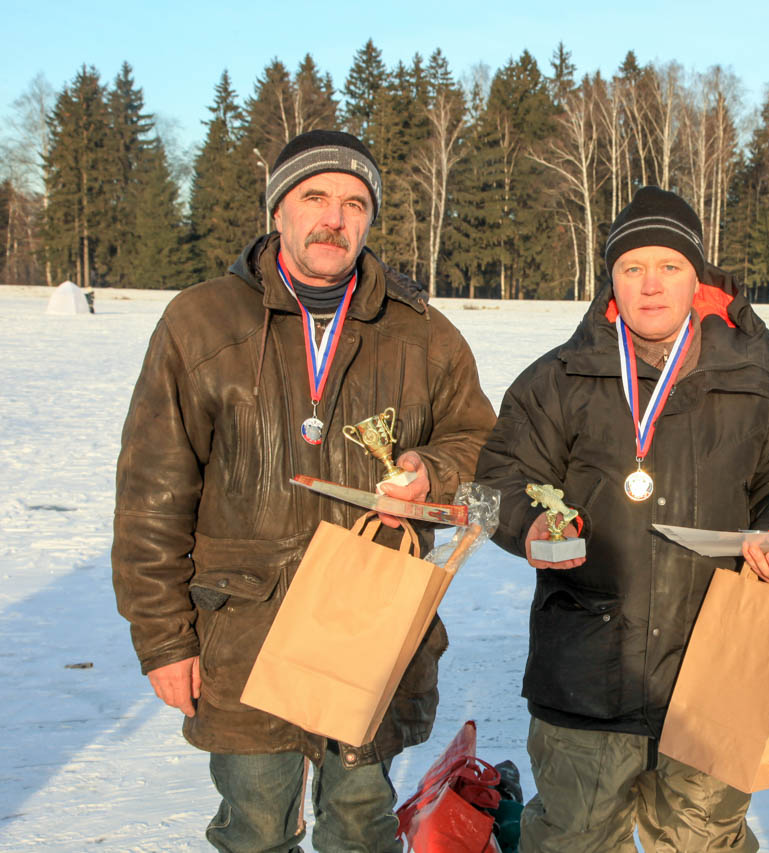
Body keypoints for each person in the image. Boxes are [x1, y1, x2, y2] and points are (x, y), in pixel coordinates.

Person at [111, 129, 496, 852]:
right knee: (255, 827)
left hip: (372, 631)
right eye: (314, 196)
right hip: (245, 631)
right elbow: (152, 495)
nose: (334, 218)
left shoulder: (423, 334)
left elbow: (485, 449)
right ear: (278, 211)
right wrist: (163, 639)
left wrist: (431, 471)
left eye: (355, 202)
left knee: (360, 822)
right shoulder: (200, 323)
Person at [476, 186, 769, 853]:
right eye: (632, 268)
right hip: (584, 675)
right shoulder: (558, 379)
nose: (650, 285)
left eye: (669, 266)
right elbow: (490, 486)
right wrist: (526, 525)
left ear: (696, 278)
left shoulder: (758, 380)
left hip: (715, 666)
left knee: (703, 842)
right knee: (572, 841)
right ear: (610, 280)